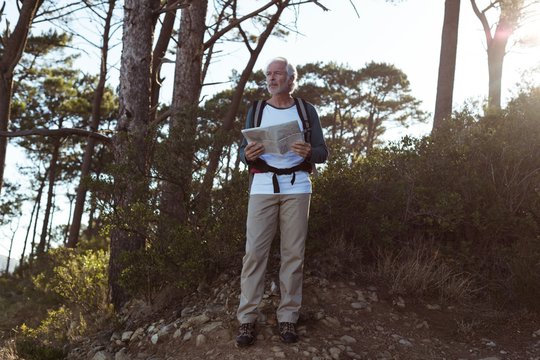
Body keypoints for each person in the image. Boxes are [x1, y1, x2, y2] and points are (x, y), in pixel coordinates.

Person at [235, 57, 328, 347]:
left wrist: (308, 151)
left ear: (290, 79)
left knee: (293, 254)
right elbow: (242, 152)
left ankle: (288, 316)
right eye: (269, 74)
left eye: (278, 74)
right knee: (254, 254)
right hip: (262, 186)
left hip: (298, 187)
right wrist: (246, 155)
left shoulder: (306, 110)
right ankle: (247, 320)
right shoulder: (257, 109)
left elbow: (323, 152)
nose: (272, 78)